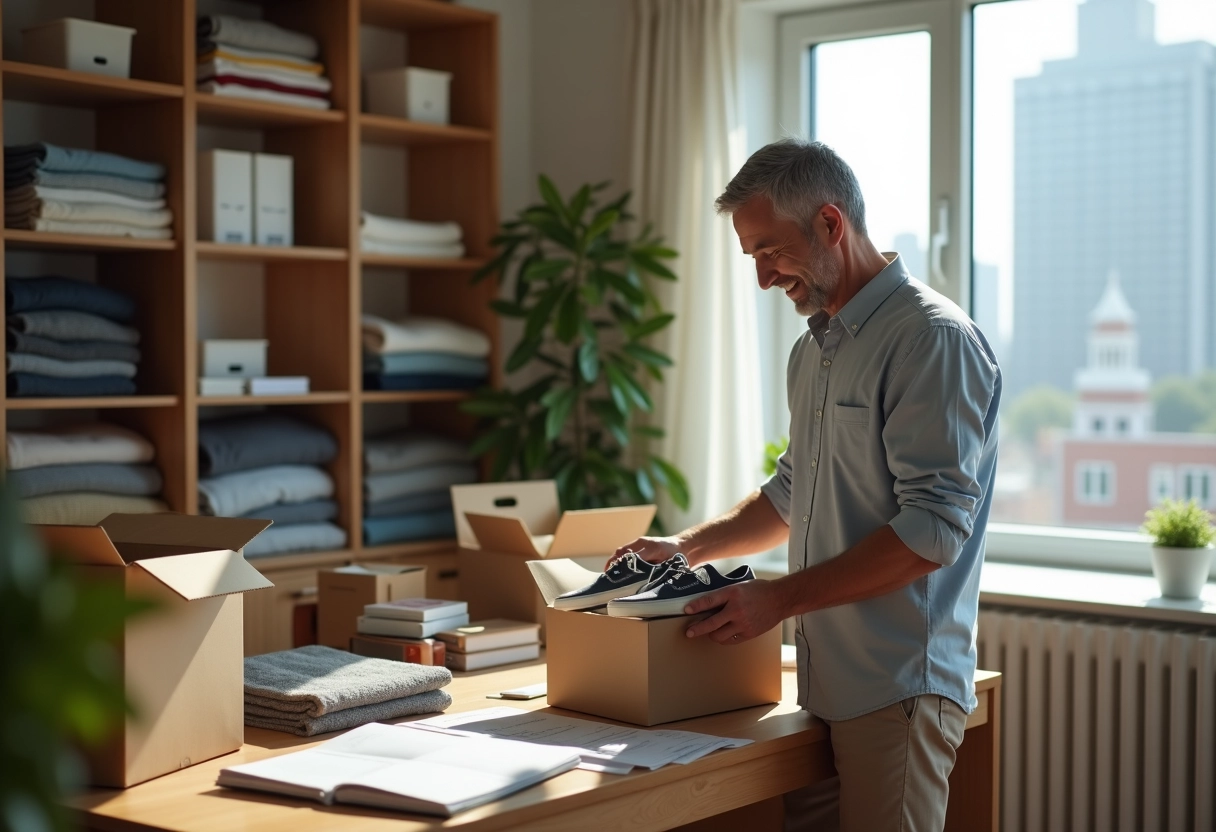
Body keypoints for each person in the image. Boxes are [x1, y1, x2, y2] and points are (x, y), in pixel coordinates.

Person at [612, 138, 1001, 832]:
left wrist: (777, 600)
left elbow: (932, 531)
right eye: (752, 257)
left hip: (897, 687)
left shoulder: (930, 339)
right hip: (821, 682)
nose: (763, 278)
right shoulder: (814, 350)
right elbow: (792, 494)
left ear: (830, 224)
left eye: (771, 251)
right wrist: (685, 547)